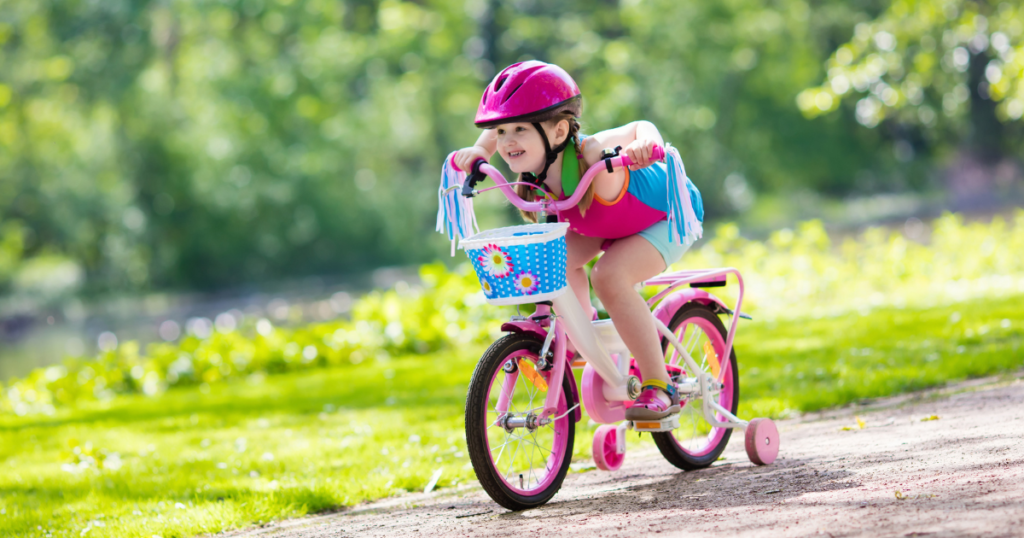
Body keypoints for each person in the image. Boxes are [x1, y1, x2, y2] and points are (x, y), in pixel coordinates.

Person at [453, 61, 703, 422]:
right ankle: (580, 330)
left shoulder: (590, 152)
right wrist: (479, 151)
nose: (507, 141)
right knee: (551, 259)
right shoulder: (534, 166)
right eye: (501, 131)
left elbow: (637, 127)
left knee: (609, 277)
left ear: (558, 132)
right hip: (605, 224)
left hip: (663, 215)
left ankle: (659, 384)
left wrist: (647, 143)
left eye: (520, 129)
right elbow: (494, 138)